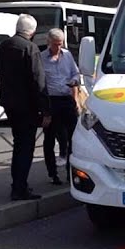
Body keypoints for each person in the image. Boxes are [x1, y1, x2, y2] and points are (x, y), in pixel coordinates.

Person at [0, 14, 50, 201]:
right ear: (33, 31)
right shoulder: (30, 48)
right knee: (25, 147)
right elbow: (38, 80)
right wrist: (45, 109)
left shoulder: (5, 46)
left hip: (10, 104)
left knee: (18, 145)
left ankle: (17, 184)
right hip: (27, 106)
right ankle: (20, 187)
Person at [41, 28, 81, 185]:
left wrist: (75, 85)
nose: (58, 47)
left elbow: (75, 73)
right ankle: (53, 173)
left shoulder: (67, 55)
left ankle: (71, 171)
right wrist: (44, 109)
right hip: (51, 101)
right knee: (50, 138)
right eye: (55, 44)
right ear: (48, 43)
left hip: (67, 99)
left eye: (60, 44)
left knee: (74, 138)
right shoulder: (41, 58)